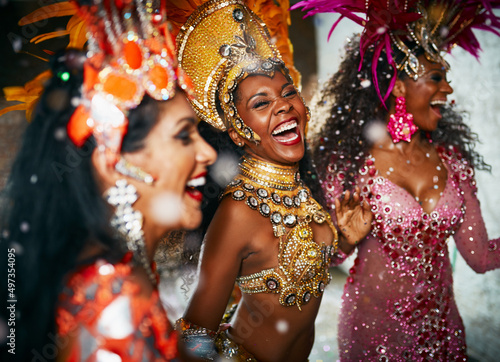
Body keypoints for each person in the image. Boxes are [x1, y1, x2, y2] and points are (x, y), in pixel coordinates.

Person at [0, 1, 216, 361]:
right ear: (113, 164)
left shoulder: (120, 271)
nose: (207, 153)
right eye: (183, 136)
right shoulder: (111, 297)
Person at [293, 0, 500, 360]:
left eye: (447, 79)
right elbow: (319, 260)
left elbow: (480, 256)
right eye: (436, 78)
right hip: (373, 336)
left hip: (442, 336)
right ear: (400, 88)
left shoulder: (454, 163)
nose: (447, 90)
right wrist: (344, 238)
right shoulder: (351, 164)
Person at [169, 0, 371, 360]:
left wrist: (344, 243)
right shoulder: (237, 213)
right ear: (237, 132)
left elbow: (300, 271)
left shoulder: (301, 189)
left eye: (288, 91)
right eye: (261, 103)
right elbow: (195, 337)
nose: (283, 105)